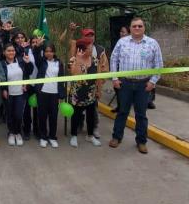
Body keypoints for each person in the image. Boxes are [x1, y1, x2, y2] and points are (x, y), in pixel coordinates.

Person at [109, 17, 163, 154]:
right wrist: (115, 78)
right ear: (130, 28)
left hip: (143, 85)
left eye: (140, 26)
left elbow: (159, 65)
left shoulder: (152, 43)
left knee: (141, 115)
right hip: (125, 83)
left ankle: (141, 141)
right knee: (122, 112)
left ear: (144, 27)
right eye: (134, 26)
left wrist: (153, 82)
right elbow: (113, 59)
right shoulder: (122, 42)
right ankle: (116, 137)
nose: (137, 28)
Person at [68, 38, 109, 147]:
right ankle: (74, 136)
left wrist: (99, 90)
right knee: (76, 115)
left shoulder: (95, 60)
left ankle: (90, 136)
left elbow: (99, 77)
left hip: (91, 93)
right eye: (90, 47)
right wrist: (78, 62)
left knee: (91, 115)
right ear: (83, 49)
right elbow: (74, 75)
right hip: (77, 94)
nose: (92, 48)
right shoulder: (74, 59)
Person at [31, 39, 66, 148]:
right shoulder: (41, 62)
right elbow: (36, 54)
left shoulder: (59, 63)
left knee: (53, 117)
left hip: (54, 94)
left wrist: (61, 95)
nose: (48, 53)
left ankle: (52, 137)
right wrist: (37, 46)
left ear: (54, 52)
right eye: (46, 51)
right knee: (42, 116)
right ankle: (43, 137)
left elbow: (61, 79)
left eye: (50, 51)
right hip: (42, 93)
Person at [12, 31, 39, 140]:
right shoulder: (19, 51)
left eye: (22, 37)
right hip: (26, 83)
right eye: (33, 42)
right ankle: (27, 129)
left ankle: (37, 130)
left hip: (37, 83)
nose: (34, 44)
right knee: (27, 108)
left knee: (37, 108)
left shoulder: (37, 52)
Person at [111, 26, 130, 113]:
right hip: (119, 71)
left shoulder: (132, 44)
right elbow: (114, 58)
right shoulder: (119, 43)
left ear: (128, 33)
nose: (121, 34)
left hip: (130, 74)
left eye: (123, 32)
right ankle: (120, 107)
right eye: (120, 32)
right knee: (118, 89)